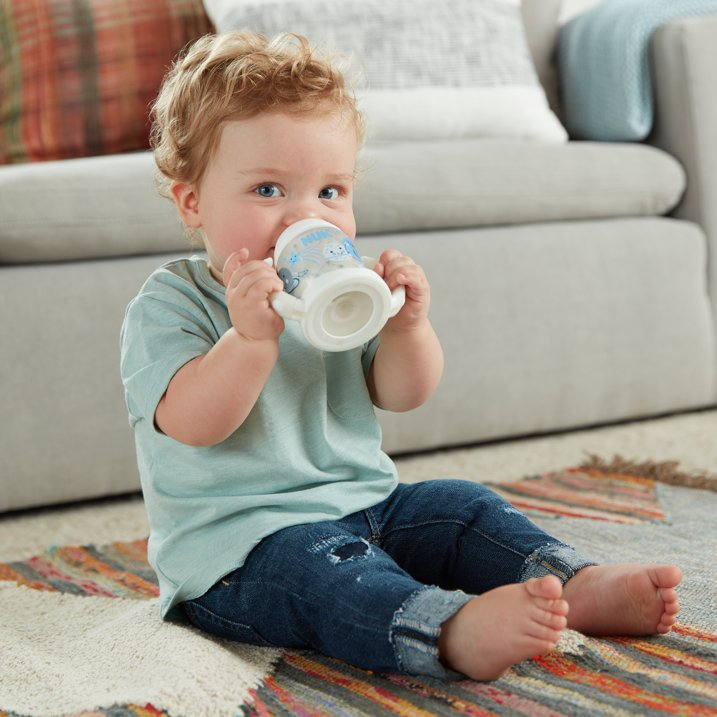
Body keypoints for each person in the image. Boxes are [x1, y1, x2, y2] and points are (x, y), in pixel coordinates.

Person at [120, 31, 682, 681]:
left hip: (368, 506)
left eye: (329, 192)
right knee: (324, 571)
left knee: (459, 505)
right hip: (240, 551)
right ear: (193, 201)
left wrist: (406, 327)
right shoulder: (169, 303)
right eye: (269, 190)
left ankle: (574, 583)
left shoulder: (340, 287)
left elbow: (401, 392)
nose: (305, 217)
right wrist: (249, 340)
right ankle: (443, 630)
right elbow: (195, 422)